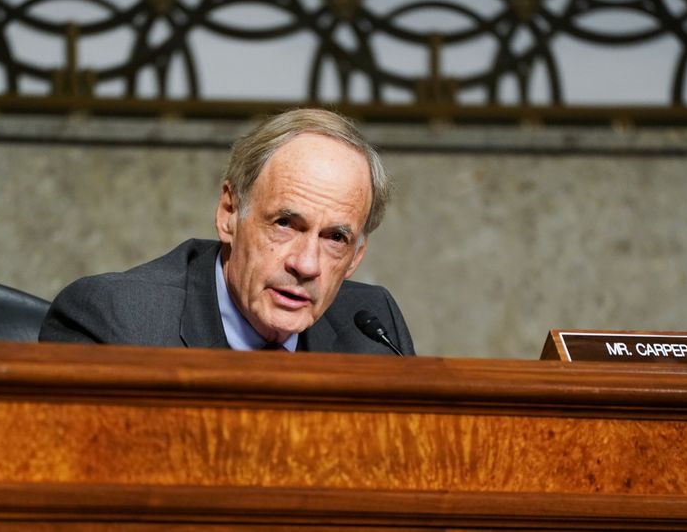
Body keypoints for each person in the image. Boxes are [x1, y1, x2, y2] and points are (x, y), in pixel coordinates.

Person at [39, 108, 415, 355]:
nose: (305, 264)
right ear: (229, 214)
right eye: (285, 224)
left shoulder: (371, 330)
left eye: (335, 238)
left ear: (355, 258)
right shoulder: (115, 323)